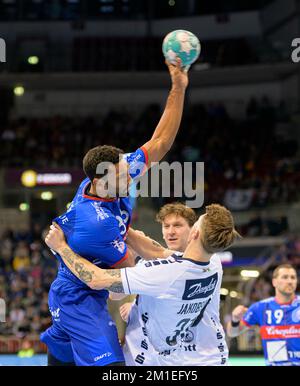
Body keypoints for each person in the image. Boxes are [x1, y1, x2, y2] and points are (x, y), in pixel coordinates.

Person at [40, 59, 189, 367]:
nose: (130, 178)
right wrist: (167, 264)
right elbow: (127, 273)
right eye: (122, 176)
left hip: (78, 288)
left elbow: (160, 143)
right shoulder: (96, 224)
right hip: (78, 298)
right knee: (114, 368)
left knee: (66, 354)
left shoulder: (113, 179)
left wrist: (178, 86)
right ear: (98, 180)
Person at [45, 204, 240, 366]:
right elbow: (160, 253)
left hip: (177, 361)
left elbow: (96, 279)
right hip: (212, 359)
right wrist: (120, 226)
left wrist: (61, 247)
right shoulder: (213, 263)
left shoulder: (163, 274)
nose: (171, 231)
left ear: (194, 232)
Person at [227, 264, 300, 366]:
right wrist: (235, 319)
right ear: (274, 282)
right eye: (285, 277)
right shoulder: (260, 307)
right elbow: (232, 333)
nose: (289, 281)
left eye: (293, 277)